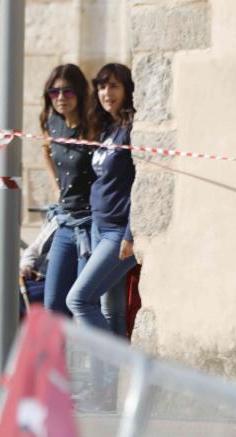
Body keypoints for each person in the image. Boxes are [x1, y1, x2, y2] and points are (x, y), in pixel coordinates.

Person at [67, 64, 138, 334]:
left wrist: (130, 234)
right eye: (101, 86)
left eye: (113, 86)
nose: (106, 93)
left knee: (79, 299)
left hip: (119, 231)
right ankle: (119, 376)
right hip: (99, 226)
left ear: (127, 90)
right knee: (111, 309)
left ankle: (108, 371)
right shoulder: (109, 129)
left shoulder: (132, 130)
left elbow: (140, 184)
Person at [39, 64, 96, 318]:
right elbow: (46, 151)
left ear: (81, 93)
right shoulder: (51, 123)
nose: (60, 98)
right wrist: (55, 186)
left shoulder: (93, 127)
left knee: (82, 303)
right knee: (53, 303)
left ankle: (87, 358)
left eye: (67, 92)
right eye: (54, 92)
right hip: (65, 221)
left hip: (91, 222)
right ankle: (60, 358)